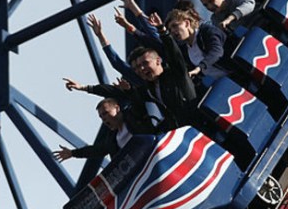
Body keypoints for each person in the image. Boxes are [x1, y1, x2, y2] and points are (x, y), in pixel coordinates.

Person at [65, 12, 199, 131]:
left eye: (145, 64)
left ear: (158, 61)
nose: (141, 69)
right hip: (181, 130)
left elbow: (173, 52)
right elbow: (114, 89)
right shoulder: (149, 88)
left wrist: (162, 30)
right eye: (137, 68)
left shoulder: (175, 72)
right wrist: (83, 88)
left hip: (197, 123)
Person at [53, 98, 132, 161]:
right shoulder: (112, 140)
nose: (103, 118)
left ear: (117, 108)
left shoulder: (134, 116)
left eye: (105, 113)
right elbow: (96, 150)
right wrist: (72, 153)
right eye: (101, 117)